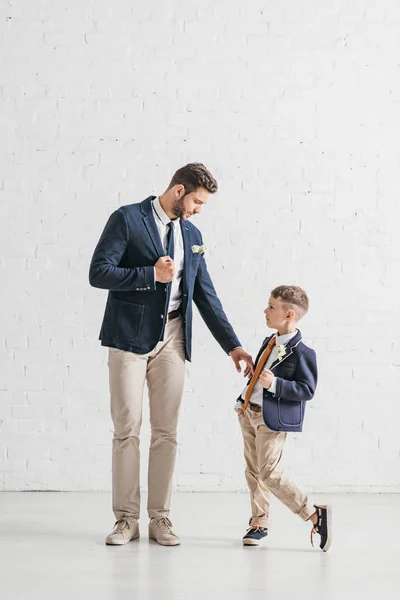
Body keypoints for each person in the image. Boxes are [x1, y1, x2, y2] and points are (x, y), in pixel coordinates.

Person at [89, 162, 253, 546]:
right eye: (197, 200)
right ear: (179, 191)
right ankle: (125, 519)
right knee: (126, 429)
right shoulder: (127, 219)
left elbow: (205, 294)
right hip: (128, 337)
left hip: (174, 337)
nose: (199, 209)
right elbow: (99, 272)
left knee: (167, 431)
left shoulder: (192, 233)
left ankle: (160, 518)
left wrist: (233, 345)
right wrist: (150, 274)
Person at [235, 285, 332, 551]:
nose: (265, 311)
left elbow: (307, 390)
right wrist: (243, 401)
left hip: (272, 420)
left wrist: (276, 384)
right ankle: (259, 523)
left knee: (269, 472)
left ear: (289, 314)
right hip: (249, 413)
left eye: (271, 307)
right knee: (253, 472)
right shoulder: (269, 341)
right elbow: (259, 377)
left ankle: (313, 512)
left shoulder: (303, 353)